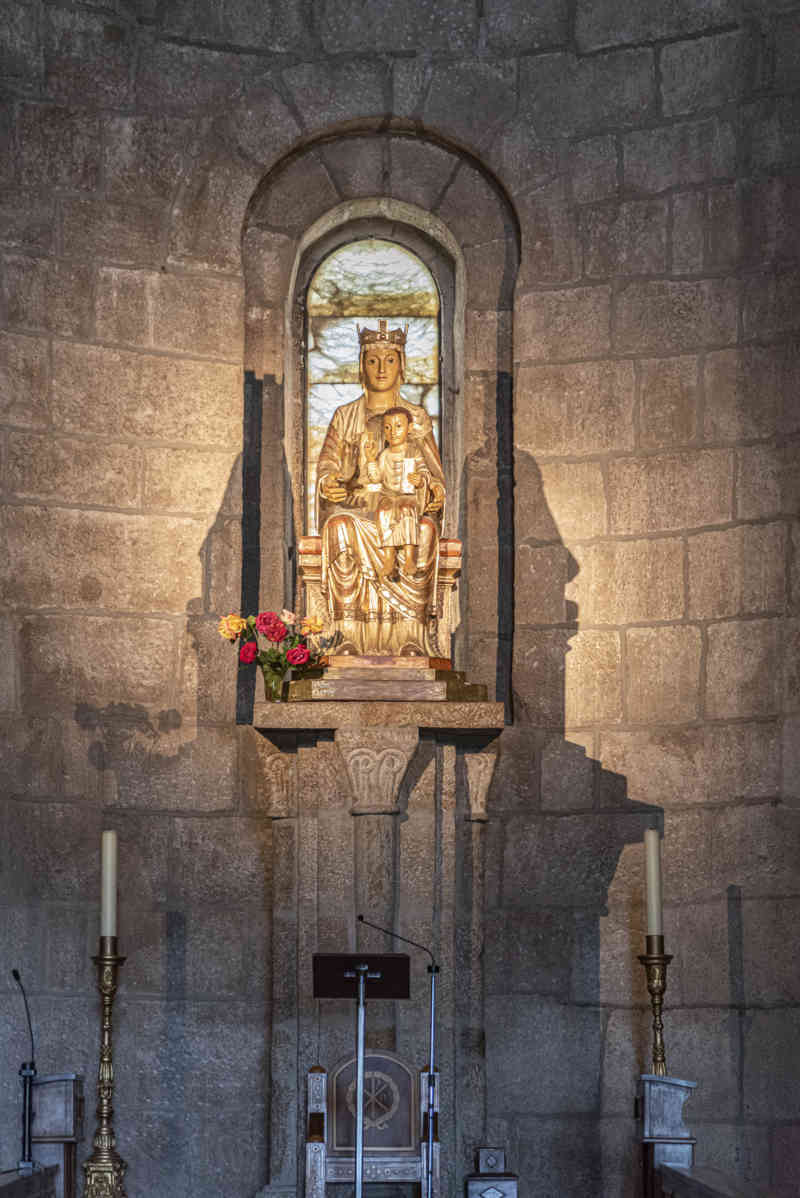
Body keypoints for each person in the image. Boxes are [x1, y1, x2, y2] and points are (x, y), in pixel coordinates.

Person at [316, 320, 445, 656]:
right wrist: (329, 482)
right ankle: (345, 633)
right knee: (339, 528)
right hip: (358, 505)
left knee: (424, 531)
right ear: (362, 365)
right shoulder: (345, 415)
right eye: (373, 361)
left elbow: (433, 471)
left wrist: (430, 486)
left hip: (405, 503)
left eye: (390, 360)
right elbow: (328, 464)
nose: (382, 369)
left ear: (402, 365)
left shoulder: (416, 417)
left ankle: (412, 634)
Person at [363, 406, 431, 581]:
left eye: (398, 426)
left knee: (407, 509)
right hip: (388, 496)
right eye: (387, 427)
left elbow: (424, 471)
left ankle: (409, 558)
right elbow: (376, 478)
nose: (393, 432)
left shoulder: (413, 451)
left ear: (409, 428)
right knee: (383, 511)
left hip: (407, 496)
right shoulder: (384, 454)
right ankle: (389, 558)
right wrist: (370, 460)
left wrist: (420, 479)